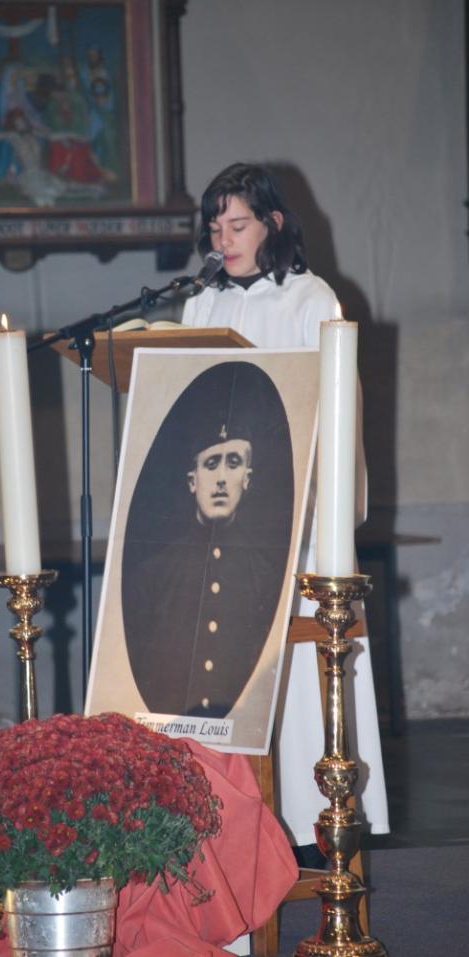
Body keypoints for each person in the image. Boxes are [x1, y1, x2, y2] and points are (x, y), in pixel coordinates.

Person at [182, 161, 389, 859]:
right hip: (220, 524)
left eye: (238, 225)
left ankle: (313, 822)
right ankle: (226, 826)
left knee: (303, 678)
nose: (224, 240)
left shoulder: (311, 298)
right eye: (215, 227)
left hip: (294, 517)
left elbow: (333, 409)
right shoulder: (201, 305)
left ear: (272, 224)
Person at [122, 360, 294, 720]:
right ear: (192, 481)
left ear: (247, 479)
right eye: (211, 464)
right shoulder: (154, 574)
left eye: (233, 463)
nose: (221, 479)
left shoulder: (266, 574)